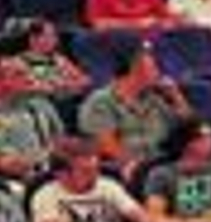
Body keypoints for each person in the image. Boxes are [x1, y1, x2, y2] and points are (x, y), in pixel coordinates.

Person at [32, 142, 194, 222]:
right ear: (61, 175)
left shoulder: (108, 186)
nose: (95, 175)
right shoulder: (46, 195)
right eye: (86, 171)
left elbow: (146, 220)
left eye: (96, 169)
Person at [78, 44, 191, 180]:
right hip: (127, 168)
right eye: (154, 68)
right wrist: (134, 164)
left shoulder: (154, 99)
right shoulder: (101, 102)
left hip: (160, 163)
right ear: (135, 70)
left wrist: (176, 96)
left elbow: (188, 127)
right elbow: (105, 144)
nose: (158, 74)